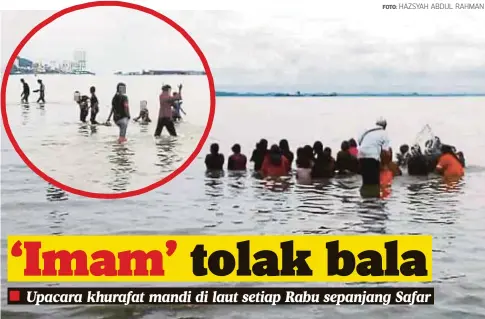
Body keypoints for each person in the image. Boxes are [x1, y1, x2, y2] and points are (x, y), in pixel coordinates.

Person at [357, 117, 391, 188]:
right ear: (385, 126)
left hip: (361, 155)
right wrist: (385, 166)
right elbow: (385, 151)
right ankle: (374, 197)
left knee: (366, 180)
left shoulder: (367, 130)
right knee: (374, 181)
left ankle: (365, 197)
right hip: (373, 157)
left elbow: (359, 142)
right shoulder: (384, 133)